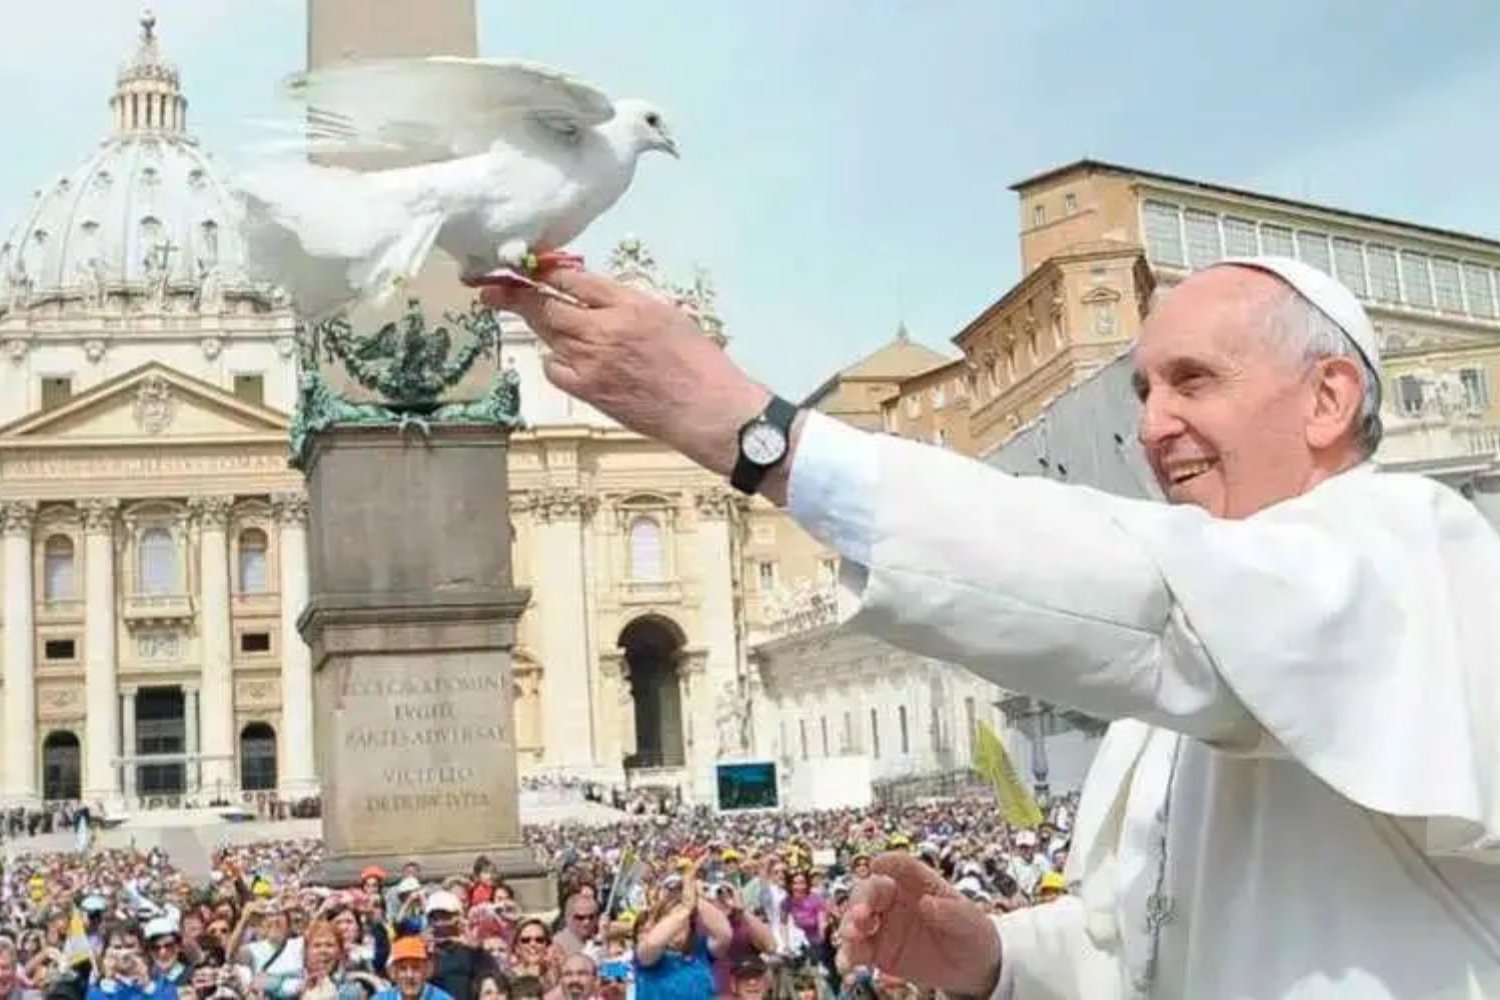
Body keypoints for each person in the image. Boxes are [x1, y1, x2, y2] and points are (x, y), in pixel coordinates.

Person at [480, 254, 1500, 998]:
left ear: (1329, 397)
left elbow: (1145, 589)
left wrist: (758, 434)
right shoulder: (1170, 706)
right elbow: (1137, 941)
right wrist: (1000, 954)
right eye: (1143, 389)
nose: (1150, 423)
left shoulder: (1414, 546)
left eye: (1195, 380)